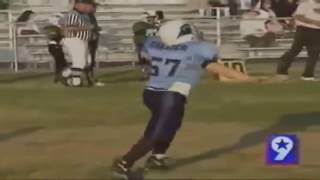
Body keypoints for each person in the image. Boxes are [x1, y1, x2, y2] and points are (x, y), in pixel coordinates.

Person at [111, 20, 256, 179]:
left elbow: (147, 48)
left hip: (152, 93)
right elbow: (214, 66)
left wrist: (246, 79)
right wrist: (247, 79)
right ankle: (124, 163)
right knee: (158, 131)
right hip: (170, 95)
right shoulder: (194, 50)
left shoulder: (155, 44)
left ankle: (157, 157)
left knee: (171, 124)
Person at [276, 0, 320, 81]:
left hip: (317, 32)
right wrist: (314, 22)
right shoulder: (305, 4)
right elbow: (299, 16)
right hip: (303, 30)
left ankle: (308, 75)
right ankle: (282, 71)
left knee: (314, 54)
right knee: (294, 51)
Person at [59, 0, 93, 87]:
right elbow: (69, 28)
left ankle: (65, 75)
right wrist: (86, 28)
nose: (88, 7)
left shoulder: (84, 15)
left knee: (87, 62)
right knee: (80, 62)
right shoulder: (73, 14)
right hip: (75, 39)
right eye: (86, 4)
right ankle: (76, 82)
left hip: (82, 40)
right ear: (78, 5)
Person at [44, 13, 68, 83]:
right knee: (60, 62)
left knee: (60, 61)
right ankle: (60, 76)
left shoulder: (53, 28)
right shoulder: (55, 28)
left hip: (54, 46)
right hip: (55, 46)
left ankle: (58, 76)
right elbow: (55, 37)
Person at [132, 11, 157, 78]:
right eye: (149, 17)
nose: (151, 19)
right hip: (142, 44)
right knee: (143, 59)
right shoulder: (138, 25)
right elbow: (138, 32)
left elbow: (152, 34)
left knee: (149, 59)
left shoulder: (150, 25)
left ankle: (149, 72)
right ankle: (146, 73)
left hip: (148, 44)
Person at [87, 2, 105, 87]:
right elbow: (89, 27)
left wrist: (97, 30)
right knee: (89, 60)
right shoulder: (86, 16)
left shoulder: (91, 16)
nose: (95, 9)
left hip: (93, 39)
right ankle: (89, 78)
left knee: (91, 59)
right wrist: (96, 28)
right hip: (88, 40)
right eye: (94, 7)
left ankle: (90, 77)